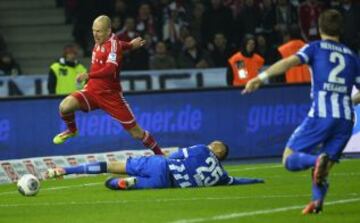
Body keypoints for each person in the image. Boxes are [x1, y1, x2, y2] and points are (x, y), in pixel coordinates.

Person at [242, 9, 360, 214]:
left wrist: (260, 78)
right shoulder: (352, 56)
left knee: (289, 158)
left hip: (322, 114)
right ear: (340, 29)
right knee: (323, 170)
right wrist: (348, 100)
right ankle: (317, 202)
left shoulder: (314, 47)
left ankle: (316, 160)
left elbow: (289, 62)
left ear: (320, 28)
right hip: (346, 119)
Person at [52, 15, 163, 156]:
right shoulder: (103, 41)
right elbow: (120, 45)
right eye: (94, 30)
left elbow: (110, 70)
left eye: (99, 31)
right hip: (92, 90)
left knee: (137, 133)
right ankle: (72, 130)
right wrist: (130, 45)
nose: (95, 34)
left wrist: (88, 75)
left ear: (109, 31)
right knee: (64, 107)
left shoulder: (112, 44)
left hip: (111, 95)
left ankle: (160, 156)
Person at [46, 140, 264, 190]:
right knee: (111, 183)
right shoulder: (221, 177)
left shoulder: (202, 149)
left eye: (215, 143)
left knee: (111, 165)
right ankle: (123, 184)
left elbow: (177, 155)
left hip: (160, 166)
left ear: (217, 151)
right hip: (165, 184)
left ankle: (65, 170)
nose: (212, 143)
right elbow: (239, 181)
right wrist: (257, 179)